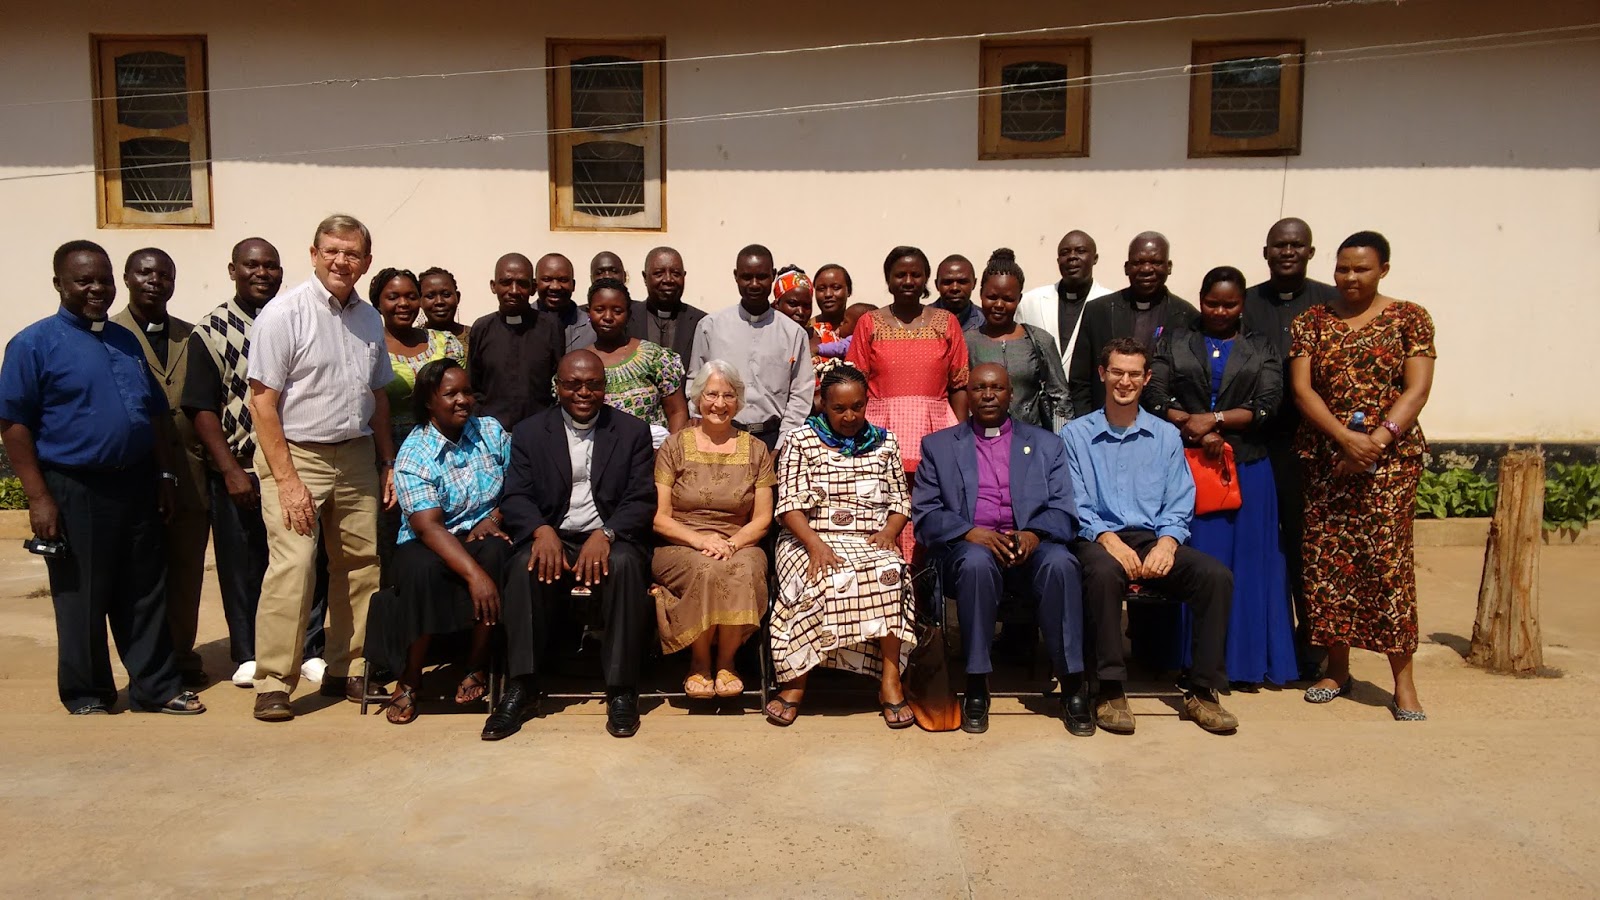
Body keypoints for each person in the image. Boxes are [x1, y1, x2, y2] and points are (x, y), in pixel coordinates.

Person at [0, 240, 202, 716]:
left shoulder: (124, 339)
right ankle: (87, 691)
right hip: (75, 487)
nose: (97, 289)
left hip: (135, 483)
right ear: (59, 284)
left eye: (104, 280)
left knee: (144, 590)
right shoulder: (33, 344)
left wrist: (166, 474)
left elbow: (154, 415)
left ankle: (155, 686)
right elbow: (14, 425)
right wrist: (38, 496)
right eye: (84, 280)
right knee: (82, 595)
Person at [246, 214, 397, 721]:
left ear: (365, 262)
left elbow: (377, 394)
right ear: (313, 254)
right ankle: (273, 681)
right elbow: (262, 404)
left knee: (360, 565)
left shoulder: (369, 318)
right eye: (331, 250)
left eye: (351, 253)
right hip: (296, 454)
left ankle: (349, 667)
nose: (341, 261)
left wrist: (386, 460)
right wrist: (287, 481)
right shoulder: (283, 313)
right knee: (294, 565)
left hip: (354, 454)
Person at [1291, 231, 1436, 721]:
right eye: (1343, 269)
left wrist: (1377, 440)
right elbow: (1303, 388)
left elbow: (1416, 389)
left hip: (1391, 463)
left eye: (1362, 269)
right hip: (1328, 460)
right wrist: (1343, 438)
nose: (1351, 278)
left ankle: (1403, 682)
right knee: (1328, 567)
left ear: (1384, 270)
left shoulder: (1410, 317)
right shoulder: (1312, 320)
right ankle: (1337, 668)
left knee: (1387, 565)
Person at [1061, 337, 1238, 736]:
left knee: (1215, 576)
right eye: (1117, 373)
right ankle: (1108, 688)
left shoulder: (1165, 436)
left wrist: (1169, 542)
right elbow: (1076, 501)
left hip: (1153, 537)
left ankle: (1202, 689)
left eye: (1134, 374)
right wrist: (1107, 539)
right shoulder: (1075, 435)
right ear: (1103, 374)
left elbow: (1180, 498)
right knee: (1103, 575)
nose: (1125, 382)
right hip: (1098, 537)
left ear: (1146, 379)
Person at [183, 238, 330, 689]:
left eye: (270, 266)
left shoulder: (297, 315)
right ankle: (248, 651)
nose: (262, 273)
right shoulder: (211, 329)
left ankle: (310, 648)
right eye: (252, 266)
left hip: (298, 459)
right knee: (244, 563)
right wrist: (228, 469)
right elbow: (201, 408)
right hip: (242, 466)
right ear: (233, 270)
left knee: (306, 561)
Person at [912, 364, 1090, 735]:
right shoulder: (939, 446)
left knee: (1061, 563)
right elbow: (926, 516)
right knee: (977, 563)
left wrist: (1034, 535)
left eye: (997, 388)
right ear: (967, 395)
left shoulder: (1047, 445)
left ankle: (1072, 683)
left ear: (1012, 394)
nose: (988, 395)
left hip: (1030, 547)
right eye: (979, 388)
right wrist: (968, 532)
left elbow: (1064, 511)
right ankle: (977, 683)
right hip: (967, 551)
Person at [487, 350, 657, 740]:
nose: (583, 392)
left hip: (610, 534)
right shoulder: (531, 432)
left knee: (628, 566)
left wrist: (608, 533)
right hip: (553, 534)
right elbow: (515, 495)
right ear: (558, 386)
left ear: (605, 386)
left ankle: (621, 689)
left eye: (593, 384)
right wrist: (540, 531)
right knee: (520, 567)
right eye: (573, 384)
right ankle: (523, 686)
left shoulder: (631, 431)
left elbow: (642, 498)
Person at [1145, 266, 1297, 688]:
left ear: (1242, 303)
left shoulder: (1261, 345)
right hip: (1184, 467)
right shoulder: (1174, 339)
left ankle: (1244, 664)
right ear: (1200, 298)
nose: (1220, 311)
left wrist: (1214, 420)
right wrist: (1189, 423)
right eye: (1212, 302)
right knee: (1193, 564)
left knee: (1248, 567)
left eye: (1230, 304)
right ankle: (1183, 659)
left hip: (1246, 468)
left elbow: (1269, 402)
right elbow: (1154, 393)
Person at [766, 362, 917, 728]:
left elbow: (900, 503)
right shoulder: (801, 441)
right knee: (814, 575)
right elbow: (788, 507)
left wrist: (888, 533)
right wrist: (815, 545)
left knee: (890, 572)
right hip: (807, 536)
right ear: (822, 404)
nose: (849, 416)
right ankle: (796, 681)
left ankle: (890, 681)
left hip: (868, 539)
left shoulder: (886, 442)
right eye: (839, 408)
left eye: (858, 406)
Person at [368, 360, 513, 725]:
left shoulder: (490, 432)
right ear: (429, 402)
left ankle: (477, 664)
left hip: (483, 531)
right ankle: (411, 677)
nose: (463, 400)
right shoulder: (414, 452)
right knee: (422, 571)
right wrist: (474, 576)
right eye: (451, 394)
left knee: (497, 551)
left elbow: (519, 485)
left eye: (467, 391)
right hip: (430, 538)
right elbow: (428, 528)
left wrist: (492, 518)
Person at [1244, 217, 1341, 677]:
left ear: (1310, 252)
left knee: (1312, 546)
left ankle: (1315, 645)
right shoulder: (1244, 303)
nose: (1287, 252)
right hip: (1259, 444)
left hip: (1317, 445)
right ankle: (1266, 644)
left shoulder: (1332, 304)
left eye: (1296, 245)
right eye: (1279, 245)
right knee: (1265, 547)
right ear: (1265, 252)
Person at [111, 248, 210, 687]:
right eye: (145, 273)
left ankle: (183, 656)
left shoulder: (192, 336)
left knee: (187, 573)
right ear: (128, 278)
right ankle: (148, 666)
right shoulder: (108, 334)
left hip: (189, 475)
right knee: (139, 578)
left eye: (164, 274)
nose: (155, 280)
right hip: (133, 475)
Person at [651, 359, 775, 699]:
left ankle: (727, 663)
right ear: (697, 398)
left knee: (744, 568)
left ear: (739, 401)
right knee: (706, 568)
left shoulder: (757, 450)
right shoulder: (674, 446)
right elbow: (661, 518)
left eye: (728, 395)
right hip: (682, 543)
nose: (719, 404)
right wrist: (700, 540)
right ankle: (700, 662)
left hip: (739, 540)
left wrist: (731, 544)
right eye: (711, 395)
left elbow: (762, 518)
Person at [847, 245, 970, 556]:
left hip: (935, 430)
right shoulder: (869, 323)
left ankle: (926, 585)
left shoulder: (946, 322)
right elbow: (855, 382)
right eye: (900, 274)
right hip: (880, 431)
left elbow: (958, 383)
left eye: (916, 274)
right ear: (888, 280)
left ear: (926, 279)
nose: (908, 280)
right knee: (883, 506)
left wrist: (961, 436)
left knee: (928, 506)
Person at [374, 267, 467, 578]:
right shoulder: (368, 346)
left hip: (443, 459)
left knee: (443, 533)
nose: (403, 304)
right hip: (390, 456)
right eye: (393, 297)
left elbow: (461, 397)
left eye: (411, 296)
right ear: (378, 303)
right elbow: (373, 405)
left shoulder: (444, 342)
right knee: (394, 542)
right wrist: (388, 462)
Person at [688, 244, 814, 450]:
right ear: (736, 276)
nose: (754, 284)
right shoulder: (711, 327)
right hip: (719, 436)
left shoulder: (793, 333)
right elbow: (695, 382)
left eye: (762, 276)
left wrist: (781, 446)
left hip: (771, 439)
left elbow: (800, 394)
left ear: (772, 276)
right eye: (747, 277)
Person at [1066, 232, 1200, 417]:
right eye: (1138, 263)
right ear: (1126, 268)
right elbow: (1079, 380)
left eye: (1156, 262)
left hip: (1162, 428)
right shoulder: (1098, 310)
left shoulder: (1187, 316)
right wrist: (1087, 424)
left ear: (1168, 267)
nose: (1146, 269)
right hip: (1103, 425)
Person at [964, 248, 1071, 432]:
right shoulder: (967, 342)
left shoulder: (1039, 340)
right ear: (980, 294)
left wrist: (1061, 443)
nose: (999, 305)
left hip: (1030, 441)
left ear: (1019, 299)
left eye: (1008, 299)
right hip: (979, 441)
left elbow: (1060, 397)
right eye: (992, 297)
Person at [585, 278, 688, 446]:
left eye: (617, 310)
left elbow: (677, 411)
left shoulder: (653, 356)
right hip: (601, 458)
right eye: (600, 310)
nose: (608, 317)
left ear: (629, 314)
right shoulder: (580, 363)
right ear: (589, 313)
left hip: (652, 457)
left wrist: (671, 452)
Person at [467, 253, 565, 430]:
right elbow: (474, 386)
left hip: (539, 432)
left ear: (533, 288)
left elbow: (559, 380)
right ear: (493, 286)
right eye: (505, 282)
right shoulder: (482, 328)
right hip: (491, 433)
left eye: (522, 284)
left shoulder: (550, 327)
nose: (513, 290)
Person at [1017, 229, 1116, 375]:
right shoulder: (1030, 302)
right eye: (1065, 253)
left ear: (1095, 258)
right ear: (1058, 261)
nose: (1072, 257)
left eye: (1080, 251)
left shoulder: (1112, 305)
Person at [627, 246, 705, 369]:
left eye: (676, 274)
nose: (668, 279)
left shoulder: (701, 322)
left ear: (684, 276)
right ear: (645, 277)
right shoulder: (627, 319)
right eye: (658, 273)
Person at [536, 252, 596, 352]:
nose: (555, 287)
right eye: (547, 279)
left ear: (573, 285)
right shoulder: (521, 326)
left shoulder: (593, 328)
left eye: (563, 280)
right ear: (535, 284)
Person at [418, 266, 470, 345]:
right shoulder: (410, 340)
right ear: (420, 301)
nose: (439, 301)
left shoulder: (476, 337)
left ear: (458, 297)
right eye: (430, 296)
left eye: (446, 295)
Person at [930, 254, 983, 332]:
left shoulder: (984, 322)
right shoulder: (921, 321)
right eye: (947, 282)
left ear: (974, 283)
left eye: (962, 282)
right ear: (936, 284)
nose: (955, 288)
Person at [810, 263, 854, 350]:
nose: (828, 294)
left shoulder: (860, 327)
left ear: (849, 291)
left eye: (836, 288)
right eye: (821, 289)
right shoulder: (807, 330)